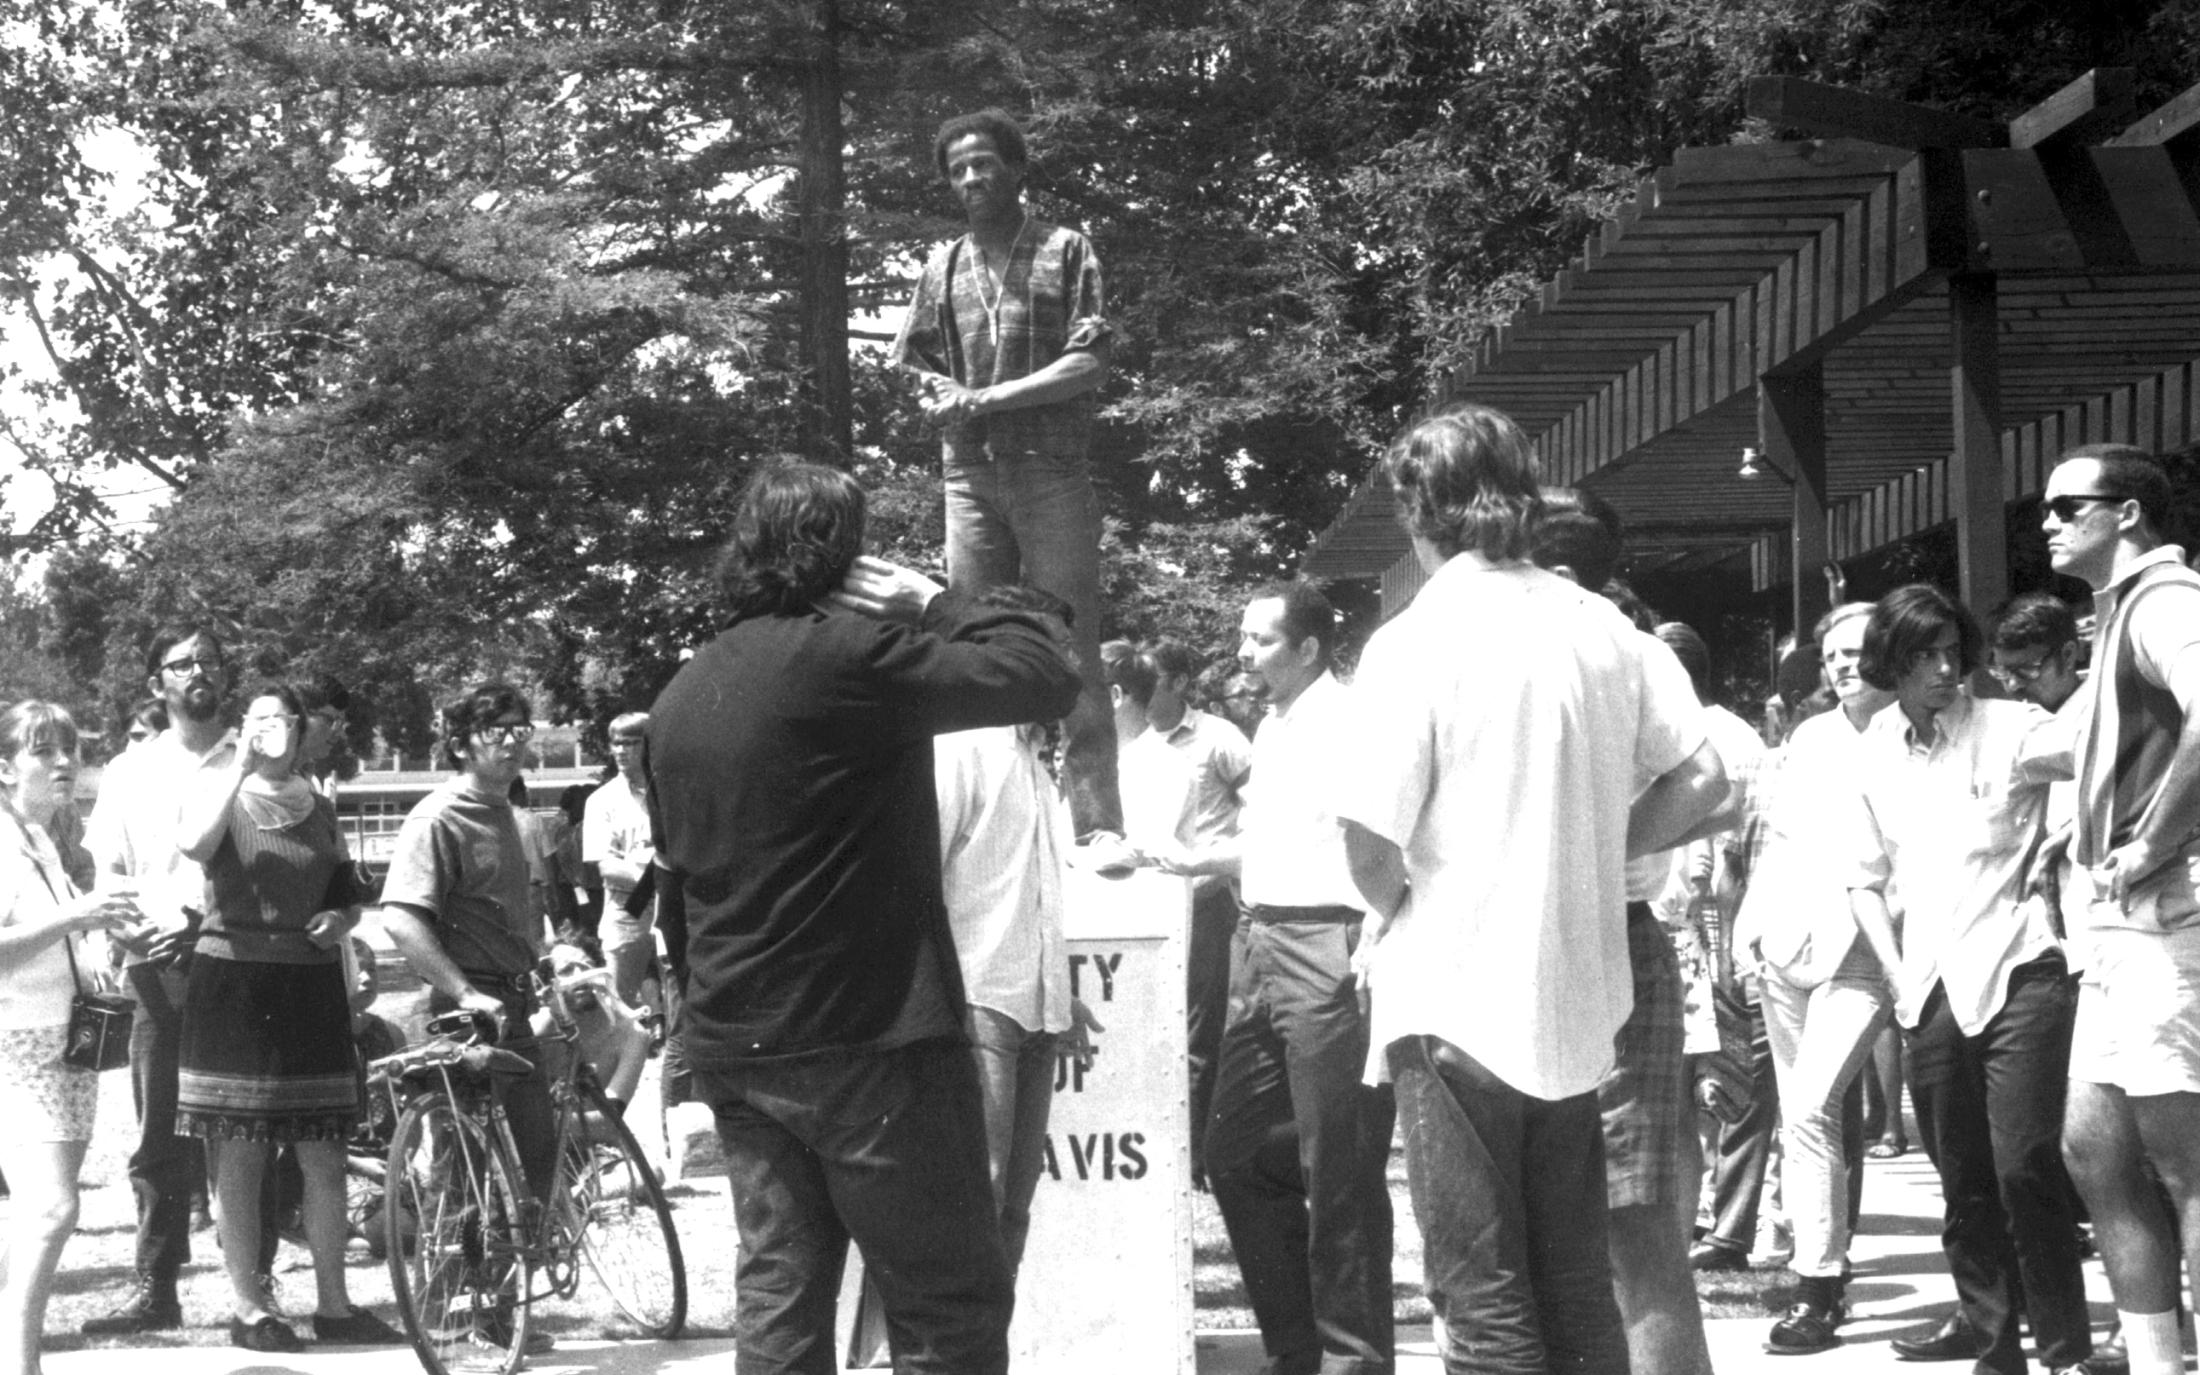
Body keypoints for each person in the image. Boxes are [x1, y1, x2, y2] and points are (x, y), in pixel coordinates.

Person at [644, 461, 1080, 1375]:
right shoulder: (849, 659)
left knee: (780, 1300)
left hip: (740, 1037)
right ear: (844, 557)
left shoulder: (682, 695)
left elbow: (677, 888)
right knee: (945, 1305)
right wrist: (936, 600)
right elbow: (1043, 672)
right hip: (872, 1042)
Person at [1338, 402, 1726, 1375]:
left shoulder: (1415, 641)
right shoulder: (1602, 630)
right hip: (1576, 1008)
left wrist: (1396, 916)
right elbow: (1700, 772)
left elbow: (1366, 841)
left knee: (1480, 1298)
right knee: (1571, 1282)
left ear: (1421, 512)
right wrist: (1595, 859)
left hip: (1455, 1003)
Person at [1839, 584, 2091, 1375]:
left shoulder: (2012, 727)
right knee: (1964, 1181)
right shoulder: (1874, 746)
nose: (1947, 668)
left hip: (2021, 969)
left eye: (1954, 650)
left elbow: (2108, 750)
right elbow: (1863, 876)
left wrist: (2077, 827)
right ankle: (1995, 1349)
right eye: (1925, 655)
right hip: (1929, 985)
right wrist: (1894, 973)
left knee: (2024, 1166)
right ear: (1894, 663)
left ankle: (2067, 1353)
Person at [1161, 581, 1395, 1375]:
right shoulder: (1276, 722)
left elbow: (1390, 836)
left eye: (1259, 640)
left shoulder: (1353, 721)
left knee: (1338, 1167)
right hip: (1258, 940)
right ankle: (1297, 1348)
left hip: (1329, 942)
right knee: (1235, 1151)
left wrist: (1377, 932)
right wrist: (1185, 857)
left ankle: (1352, 1359)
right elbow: (1280, 845)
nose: (1242, 653)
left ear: (1307, 648)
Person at [1529, 489, 1727, 1375]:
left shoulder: (1634, 654)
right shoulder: (1516, 654)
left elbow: (1709, 779)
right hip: (1531, 943)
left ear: (1561, 571)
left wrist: (1594, 851)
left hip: (1605, 936)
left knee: (1632, 1213)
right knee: (1542, 1219)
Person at [892, 107, 1121, 841]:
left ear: (1017, 169)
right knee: (976, 646)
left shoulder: (1064, 248)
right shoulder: (943, 264)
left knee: (1069, 644)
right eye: (958, 169)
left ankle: (1095, 826)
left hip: (1049, 467)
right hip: (968, 475)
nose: (970, 179)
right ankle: (987, 825)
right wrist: (935, 395)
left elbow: (1090, 362)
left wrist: (983, 396)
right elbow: (911, 362)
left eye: (984, 163)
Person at [2033, 444, 2200, 1375]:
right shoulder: (2119, 614)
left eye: (2067, 506)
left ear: (2128, 512)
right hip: (2118, 923)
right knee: (2094, 1147)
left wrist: (2154, 839)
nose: (2049, 523)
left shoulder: (2167, 601)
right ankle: (2154, 1356)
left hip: (2168, 912)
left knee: (2187, 1161)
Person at [173, 682, 400, 1353]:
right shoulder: (220, 789)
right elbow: (193, 845)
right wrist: (239, 763)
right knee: (240, 1154)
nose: (272, 729)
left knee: (323, 1152)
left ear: (302, 731)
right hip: (235, 985)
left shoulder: (322, 804)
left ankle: (335, 1304)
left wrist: (342, 919)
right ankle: (250, 1308)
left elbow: (344, 893)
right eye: (259, 717)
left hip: (309, 987)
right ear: (244, 726)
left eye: (283, 719)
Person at [1727, 602, 1898, 1353]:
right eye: (1832, 656)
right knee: (1808, 1121)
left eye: (1857, 652)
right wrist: (1746, 928)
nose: (1843, 666)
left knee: (1807, 1109)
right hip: (1787, 943)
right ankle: (1821, 1286)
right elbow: (1783, 843)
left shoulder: (1916, 731)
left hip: (1866, 953)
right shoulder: (1811, 737)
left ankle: (1818, 1284)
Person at [375, 682, 559, 1358]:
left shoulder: (514, 813)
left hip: (515, 1000)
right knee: (462, 1168)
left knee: (537, 1157)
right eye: (494, 728)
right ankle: (448, 1307)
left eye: (520, 725)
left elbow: (515, 913)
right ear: (460, 742)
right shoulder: (438, 816)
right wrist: (461, 989)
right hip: (466, 1010)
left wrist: (548, 959)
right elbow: (400, 918)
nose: (512, 739)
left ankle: (502, 1299)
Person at [79, 626, 239, 1336]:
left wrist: (206, 918)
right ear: (157, 685)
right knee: (160, 1129)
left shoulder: (256, 756)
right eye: (182, 662)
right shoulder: (127, 770)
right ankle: (156, 1285)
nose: (198, 671)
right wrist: (127, 928)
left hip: (242, 959)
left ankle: (253, 1290)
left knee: (248, 1123)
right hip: (156, 964)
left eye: (209, 660)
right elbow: (108, 868)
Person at [0, 703, 138, 1375]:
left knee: (35, 1216)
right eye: (42, 751)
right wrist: (77, 913)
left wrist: (95, 942)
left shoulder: (39, 836)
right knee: (52, 1209)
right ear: (4, 767)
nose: (63, 763)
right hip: (16, 1046)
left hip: (63, 1043)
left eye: (70, 751)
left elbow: (52, 934)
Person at [584, 713, 658, 1014]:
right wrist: (657, 879)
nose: (621, 751)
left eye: (631, 743)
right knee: (619, 1007)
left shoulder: (667, 791)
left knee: (683, 994)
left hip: (672, 905)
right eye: (616, 743)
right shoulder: (602, 800)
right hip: (628, 909)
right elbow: (606, 866)